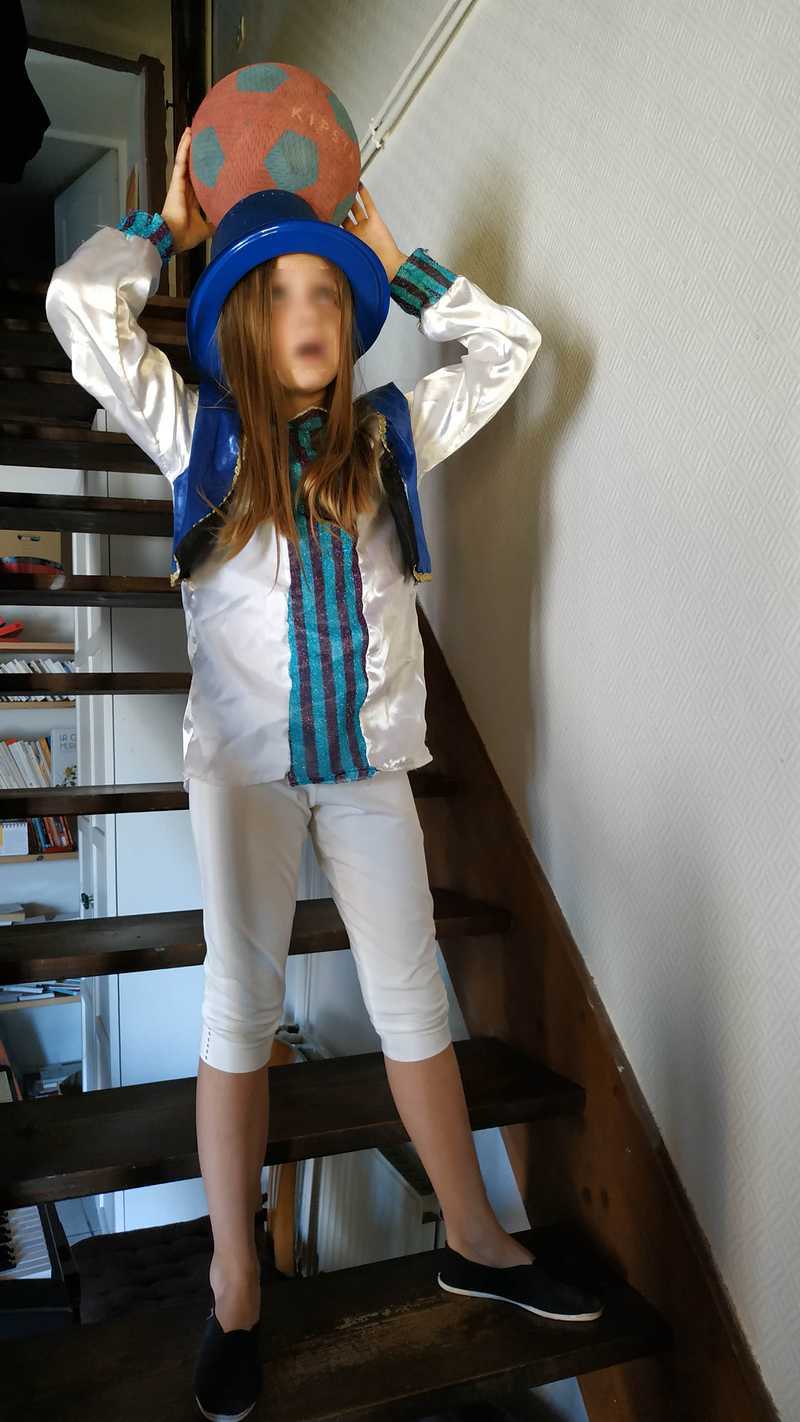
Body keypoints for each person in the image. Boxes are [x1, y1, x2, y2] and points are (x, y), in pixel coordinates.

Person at [46, 123, 603, 1422]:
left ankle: (476, 1236)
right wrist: (166, 232)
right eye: (283, 292)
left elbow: (509, 349)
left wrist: (398, 262)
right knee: (239, 1008)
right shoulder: (196, 434)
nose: (310, 314)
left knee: (413, 999)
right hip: (244, 773)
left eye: (329, 294)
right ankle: (237, 1286)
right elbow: (79, 308)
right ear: (243, 320)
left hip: (367, 770)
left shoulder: (388, 437)